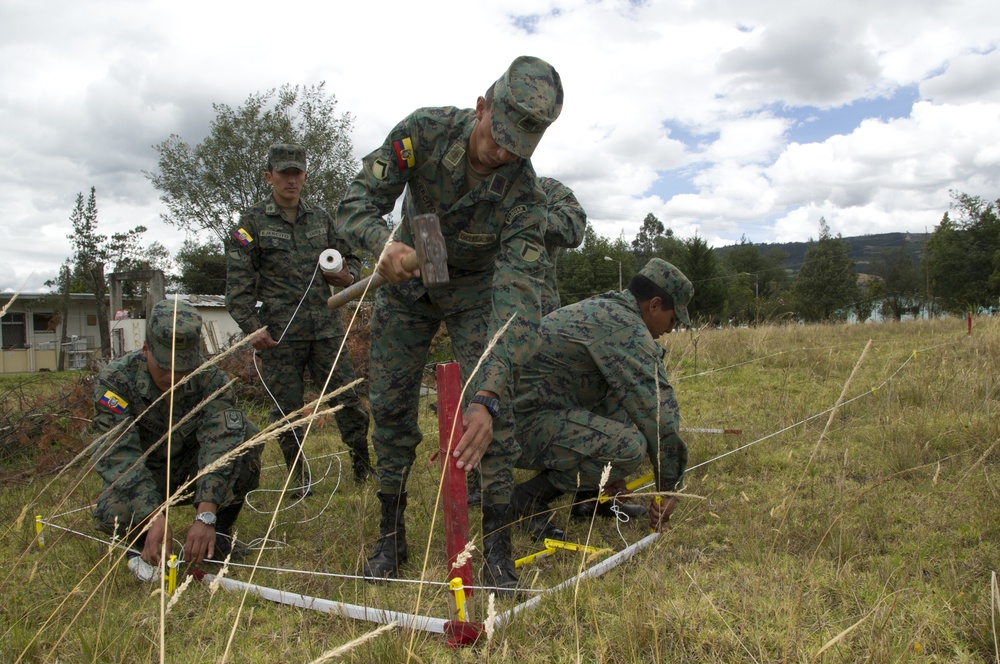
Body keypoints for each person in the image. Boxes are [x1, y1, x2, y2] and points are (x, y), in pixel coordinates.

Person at [334, 55, 563, 593]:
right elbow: (355, 202)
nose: (502, 153)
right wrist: (380, 245)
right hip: (413, 273)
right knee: (389, 403)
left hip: (475, 289)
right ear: (482, 106)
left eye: (518, 147)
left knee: (496, 412)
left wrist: (486, 395)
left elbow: (518, 304)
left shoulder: (525, 197)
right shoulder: (424, 132)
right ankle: (392, 532)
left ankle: (498, 550)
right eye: (497, 136)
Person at [509, 258, 693, 539]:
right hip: (512, 430)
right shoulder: (625, 329)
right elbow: (660, 416)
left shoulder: (608, 310)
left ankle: (590, 501)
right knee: (629, 447)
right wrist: (668, 489)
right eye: (672, 319)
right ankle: (526, 499)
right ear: (654, 305)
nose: (670, 329)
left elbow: (623, 400)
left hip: (530, 414)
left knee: (621, 399)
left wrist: (608, 473)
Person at [225, 144, 372, 493]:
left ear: (305, 176)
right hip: (279, 333)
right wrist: (251, 329)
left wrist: (346, 277)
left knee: (348, 398)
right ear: (269, 176)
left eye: (297, 173)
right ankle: (299, 479)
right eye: (283, 173)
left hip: (324, 328)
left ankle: (363, 467)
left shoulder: (320, 218)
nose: (291, 180)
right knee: (286, 412)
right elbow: (237, 285)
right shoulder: (251, 224)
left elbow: (350, 260)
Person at [90, 299, 261, 574]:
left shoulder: (211, 379)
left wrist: (206, 515)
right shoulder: (116, 382)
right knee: (115, 512)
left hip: (190, 470)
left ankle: (218, 537)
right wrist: (151, 515)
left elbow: (221, 444)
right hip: (146, 474)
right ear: (146, 349)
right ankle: (142, 541)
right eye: (165, 366)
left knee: (246, 438)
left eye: (183, 368)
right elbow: (118, 453)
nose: (174, 377)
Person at [464, 174, 586, 505]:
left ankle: (546, 469)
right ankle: (477, 478)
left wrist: (527, 214)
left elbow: (575, 227)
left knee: (542, 392)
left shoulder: (549, 190)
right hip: (484, 314)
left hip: (539, 314)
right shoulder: (483, 189)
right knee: (481, 390)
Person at [537, 176, 587, 315]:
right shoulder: (476, 187)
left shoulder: (543, 187)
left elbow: (575, 225)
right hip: (479, 310)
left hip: (538, 308)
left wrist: (528, 219)